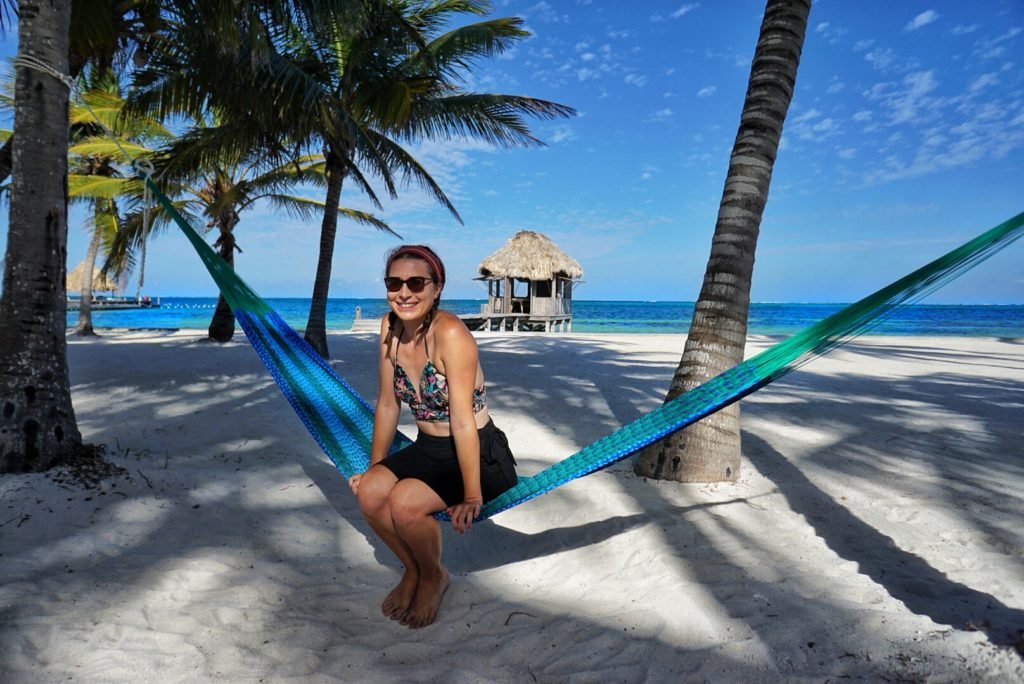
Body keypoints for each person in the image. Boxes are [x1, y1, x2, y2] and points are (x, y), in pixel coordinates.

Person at [347, 245, 517, 628]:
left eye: (416, 282)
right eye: (395, 282)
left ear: (436, 288)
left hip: (477, 454)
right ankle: (414, 570)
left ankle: (434, 575)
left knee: (405, 503)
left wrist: (472, 495)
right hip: (429, 448)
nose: (404, 292)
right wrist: (375, 467)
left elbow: (462, 423)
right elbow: (389, 405)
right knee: (371, 490)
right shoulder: (388, 329)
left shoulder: (451, 333)